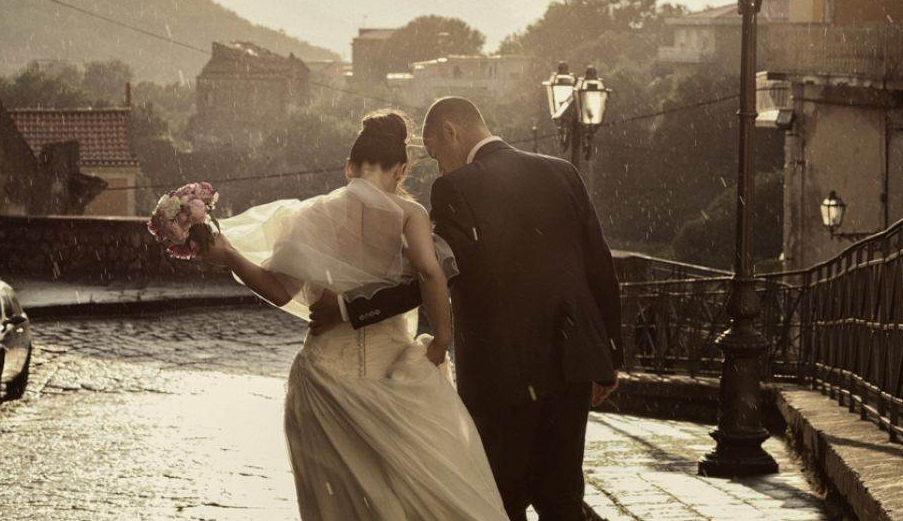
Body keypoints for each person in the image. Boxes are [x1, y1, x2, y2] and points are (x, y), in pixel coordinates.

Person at [311, 97, 623, 521]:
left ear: (451, 132)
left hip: (503, 370)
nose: (439, 168)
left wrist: (351, 308)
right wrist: (610, 356)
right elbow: (599, 264)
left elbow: (434, 272)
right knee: (562, 496)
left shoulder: (457, 187)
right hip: (572, 359)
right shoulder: (561, 171)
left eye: (437, 154)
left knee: (500, 497)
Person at [203, 111, 509, 521]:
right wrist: (441, 339)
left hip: (323, 376)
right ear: (401, 170)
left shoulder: (311, 215)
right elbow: (430, 271)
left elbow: (277, 290)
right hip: (394, 374)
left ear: (349, 166)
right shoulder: (408, 214)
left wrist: (229, 256)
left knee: (338, 505)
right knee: (416, 490)